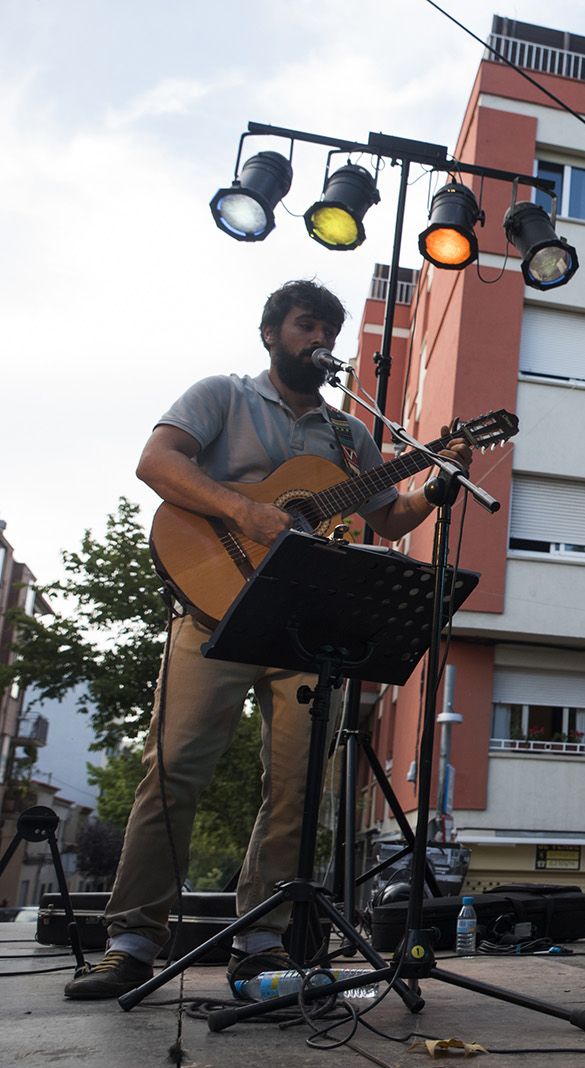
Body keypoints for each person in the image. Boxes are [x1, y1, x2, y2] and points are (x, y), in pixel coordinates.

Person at [65, 280, 472, 999]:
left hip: (306, 626)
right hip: (212, 610)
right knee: (175, 770)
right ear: (270, 333)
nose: (319, 339)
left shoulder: (349, 433)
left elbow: (387, 517)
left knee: (298, 786)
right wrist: (244, 512)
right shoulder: (222, 395)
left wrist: (435, 488)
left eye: (328, 330)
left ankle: (261, 939)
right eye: (305, 324)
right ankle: (132, 940)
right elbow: (156, 463)